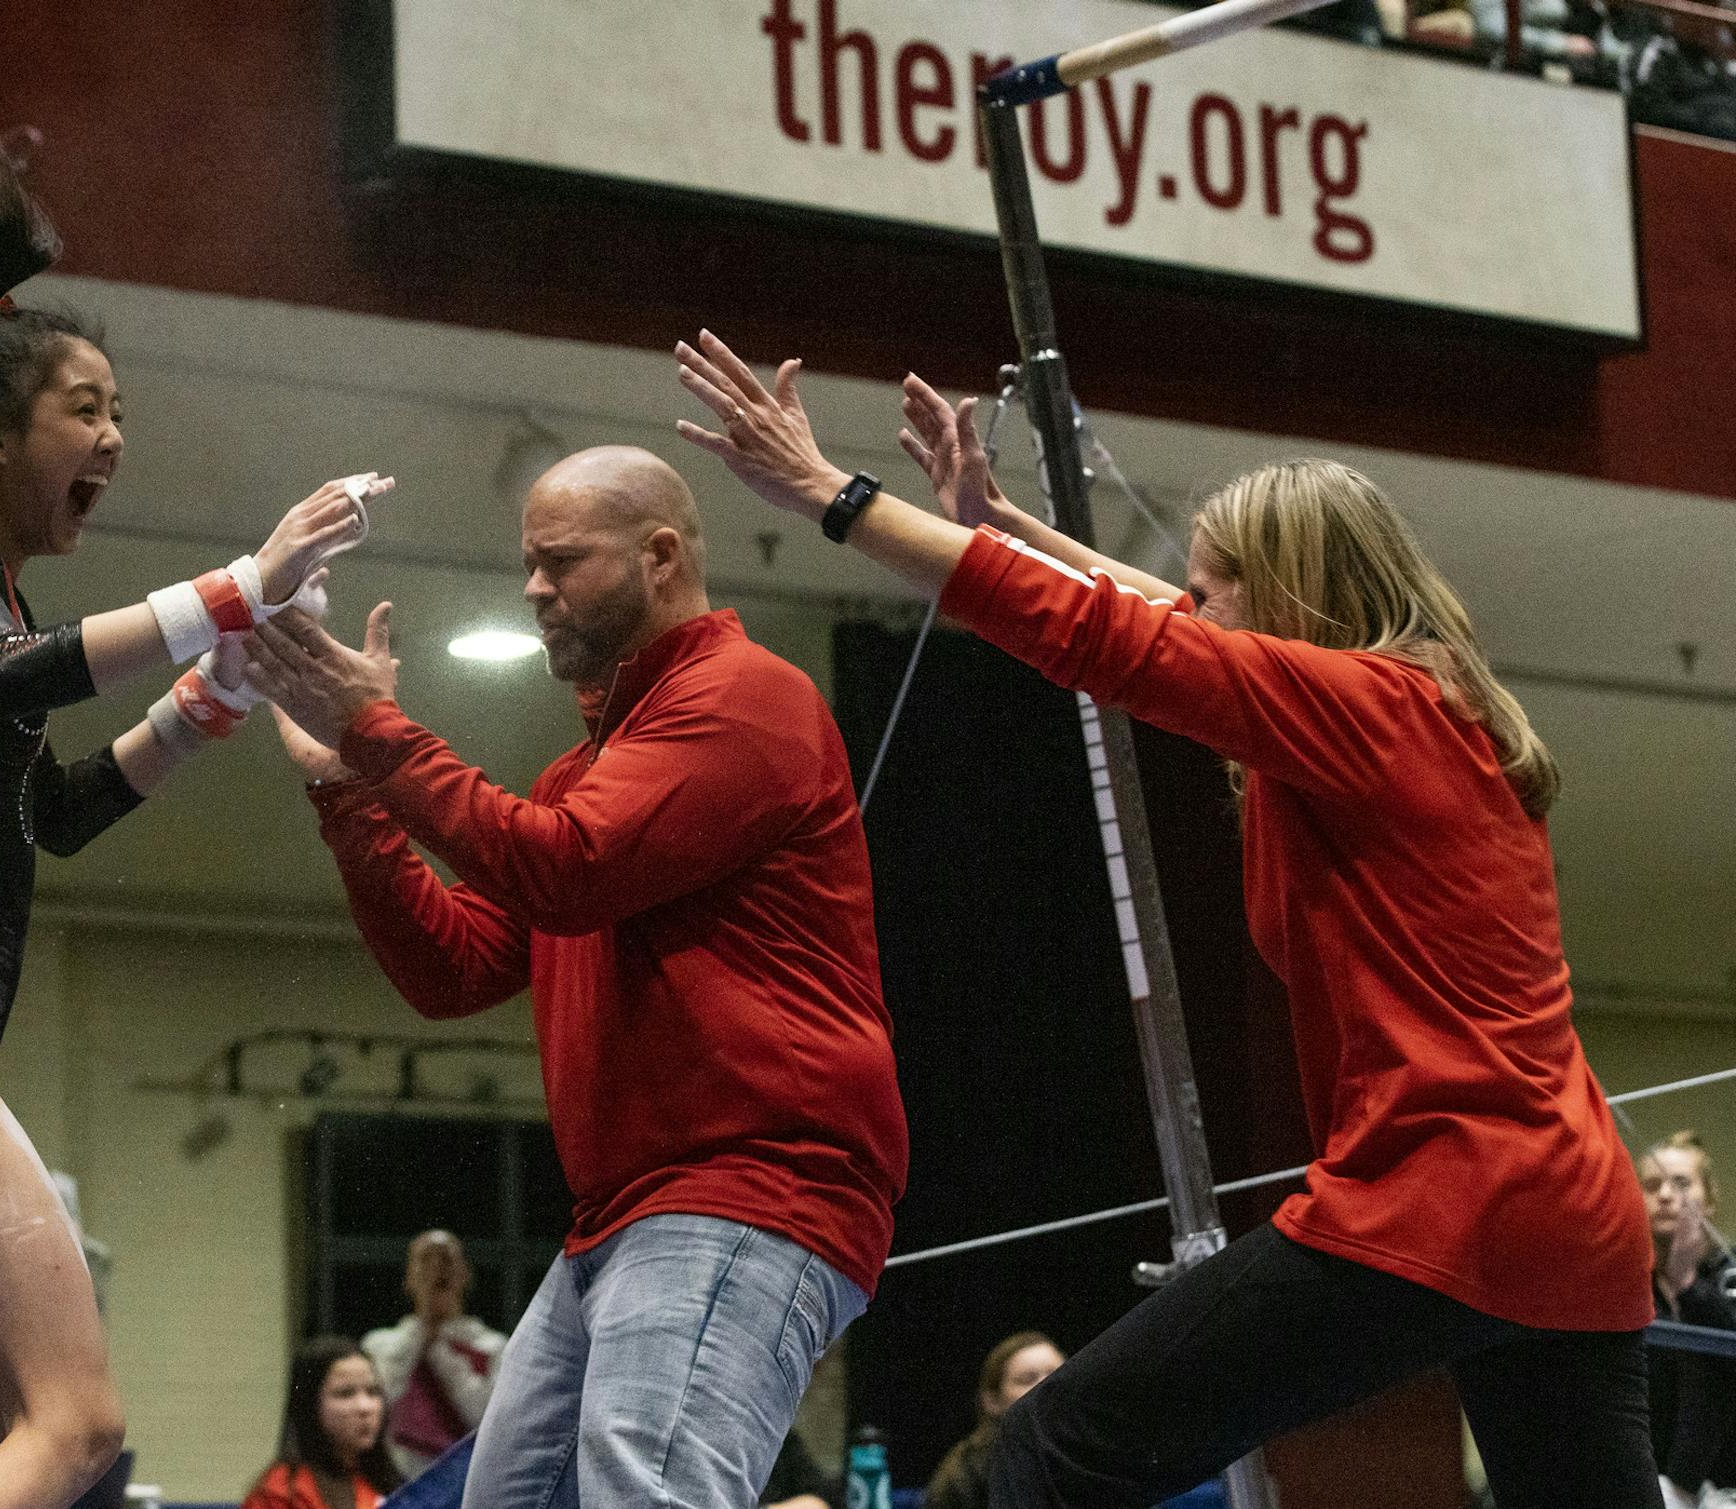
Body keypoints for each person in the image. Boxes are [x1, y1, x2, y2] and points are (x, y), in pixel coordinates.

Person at [674, 329, 1658, 1508]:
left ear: (1291, 594)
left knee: (1050, 1449)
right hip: (1570, 1217)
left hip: (1446, 1199)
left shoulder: (1370, 708)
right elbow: (1158, 613)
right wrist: (997, 524)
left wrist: (833, 496)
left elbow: (1116, 637)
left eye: (1218, 586)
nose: (1194, 604)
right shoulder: (1425, 708)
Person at [0, 139, 382, 1509]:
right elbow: (10, 672)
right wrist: (239, 586)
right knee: (77, 1427)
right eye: (84, 410)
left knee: (10, 1450)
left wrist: (211, 697)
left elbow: (50, 814)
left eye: (120, 411)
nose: (114, 437)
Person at [240, 442, 908, 1508]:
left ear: (659, 557)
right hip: (626, 1212)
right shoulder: (585, 775)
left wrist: (374, 732)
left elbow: (566, 869)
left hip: (748, 1184)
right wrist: (349, 793)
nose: (535, 589)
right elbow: (455, 969)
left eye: (561, 562)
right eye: (529, 565)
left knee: (649, 1491)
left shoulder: (747, 698)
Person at [358, 1231, 505, 1479]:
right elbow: (380, 1408)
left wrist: (441, 1351)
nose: (437, 1267)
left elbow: (488, 1420)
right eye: (426, 1259)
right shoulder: (379, 1344)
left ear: (465, 1274)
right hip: (397, 1480)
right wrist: (422, 1332)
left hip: (466, 1479)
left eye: (446, 1259)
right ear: (408, 1278)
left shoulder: (492, 1347)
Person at [1642, 1133, 1736, 1507]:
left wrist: (1688, 1286)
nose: (1665, 1195)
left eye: (1680, 1183)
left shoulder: (1730, 1274)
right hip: (1654, 1486)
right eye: (1652, 1185)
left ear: (1708, 1201)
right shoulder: (1626, 1291)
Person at [240, 1338, 400, 1509]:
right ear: (310, 1404)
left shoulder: (387, 1483)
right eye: (345, 1393)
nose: (365, 1407)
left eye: (373, 1391)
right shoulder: (280, 1491)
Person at [925, 1332, 1066, 1509]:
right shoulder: (965, 1474)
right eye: (1028, 1379)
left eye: (1057, 1374)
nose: (1046, 1385)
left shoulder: (1090, 1448)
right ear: (992, 1401)